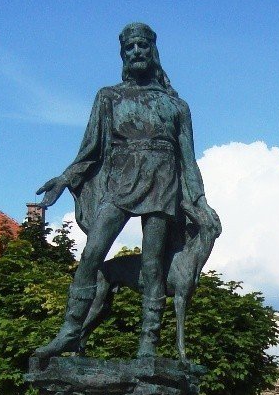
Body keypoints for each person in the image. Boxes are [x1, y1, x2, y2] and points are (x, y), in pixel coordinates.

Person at [35, 21, 221, 359]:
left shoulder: (176, 106)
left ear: (153, 51)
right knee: (91, 255)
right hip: (120, 183)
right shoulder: (110, 97)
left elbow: (188, 160)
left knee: (152, 266)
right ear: (123, 54)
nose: (136, 52)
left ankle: (147, 348)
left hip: (163, 185)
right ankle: (69, 333)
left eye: (142, 46)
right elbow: (90, 148)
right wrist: (66, 177)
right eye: (130, 47)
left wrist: (199, 201)